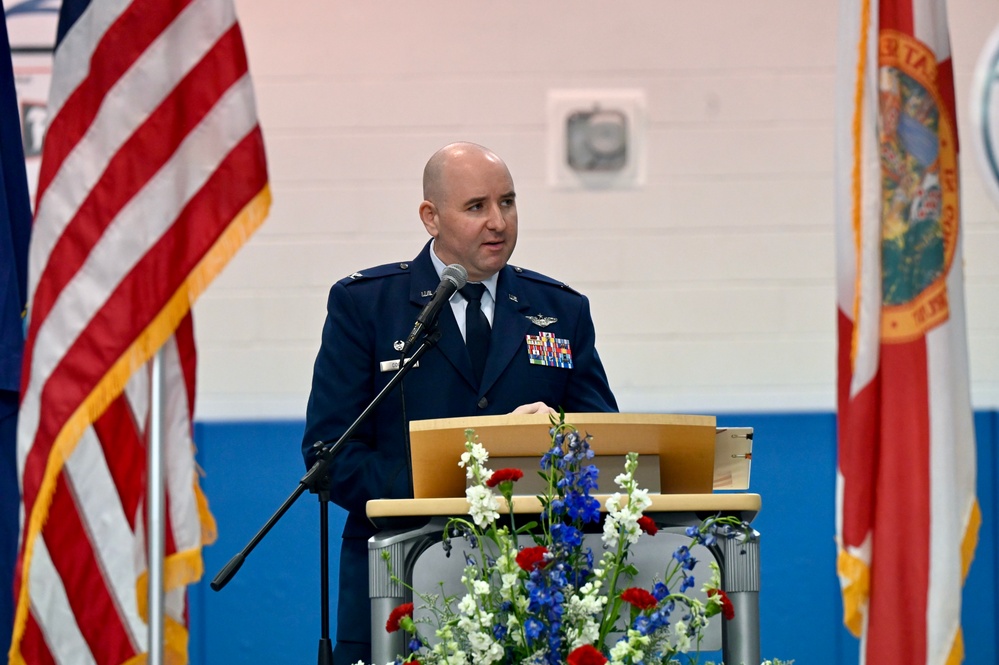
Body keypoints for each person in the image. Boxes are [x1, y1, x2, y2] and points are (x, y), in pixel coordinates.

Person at [301, 142, 618, 664]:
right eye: (477, 207)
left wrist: (558, 431)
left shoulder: (561, 310)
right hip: (398, 590)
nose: (498, 222)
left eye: (508, 202)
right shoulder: (367, 306)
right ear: (431, 217)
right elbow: (328, 456)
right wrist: (462, 475)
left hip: (531, 594)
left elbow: (603, 441)